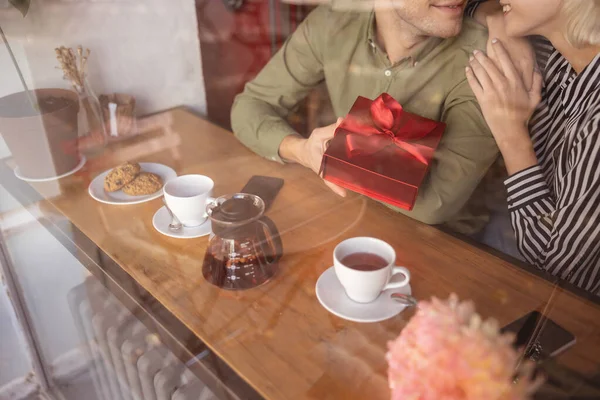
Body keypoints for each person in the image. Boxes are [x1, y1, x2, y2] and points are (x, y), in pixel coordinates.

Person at [231, 1, 501, 235]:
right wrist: (302, 150)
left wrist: (340, 163)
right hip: (346, 216)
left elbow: (434, 205)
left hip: (446, 250)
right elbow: (250, 106)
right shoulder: (334, 22)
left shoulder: (480, 59)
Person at [465, 0, 600, 294]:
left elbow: (555, 270)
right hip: (503, 238)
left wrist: (511, 133)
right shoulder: (555, 49)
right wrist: (499, 21)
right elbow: (462, 5)